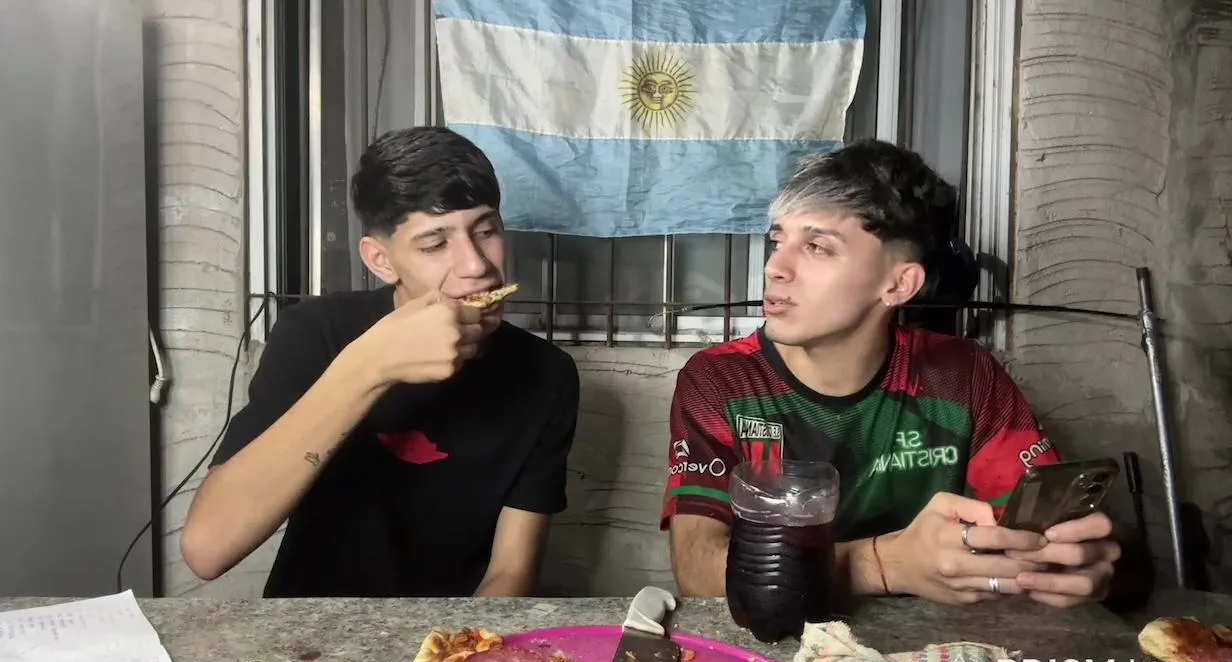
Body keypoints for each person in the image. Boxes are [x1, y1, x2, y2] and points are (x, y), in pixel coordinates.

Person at [662, 139, 1120, 607]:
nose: (775, 267)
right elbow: (698, 570)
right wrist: (884, 564)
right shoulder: (722, 379)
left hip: (932, 642)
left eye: (816, 246)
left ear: (899, 284)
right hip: (773, 637)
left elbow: (1040, 525)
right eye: (779, 241)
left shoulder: (962, 376)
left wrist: (1064, 562)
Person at [180, 126, 580, 598]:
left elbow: (510, 572)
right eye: (434, 244)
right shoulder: (315, 331)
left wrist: (456, 646)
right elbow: (208, 550)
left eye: (486, 231)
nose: (476, 265)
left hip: (455, 630)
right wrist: (371, 366)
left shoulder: (547, 374)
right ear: (381, 261)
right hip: (314, 625)